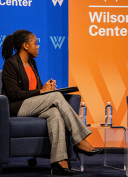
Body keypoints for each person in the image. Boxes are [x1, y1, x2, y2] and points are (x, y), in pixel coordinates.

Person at [1, 30, 103, 175]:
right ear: (25, 45)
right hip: (16, 107)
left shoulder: (32, 62)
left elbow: (38, 88)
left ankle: (60, 160)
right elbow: (14, 94)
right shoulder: (11, 64)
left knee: (55, 113)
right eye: (35, 43)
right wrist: (41, 92)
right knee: (56, 97)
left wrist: (45, 88)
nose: (38, 46)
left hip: (32, 104)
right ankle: (79, 139)